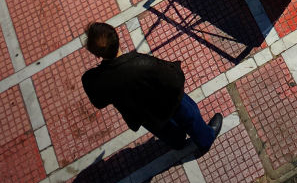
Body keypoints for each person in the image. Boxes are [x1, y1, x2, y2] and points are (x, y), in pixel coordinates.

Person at [81, 21, 222, 152]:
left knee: (167, 133)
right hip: (170, 102)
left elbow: (99, 102)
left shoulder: (95, 80)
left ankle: (179, 144)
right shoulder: (141, 63)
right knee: (191, 118)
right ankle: (205, 140)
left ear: (96, 54)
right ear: (117, 38)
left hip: (144, 115)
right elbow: (174, 78)